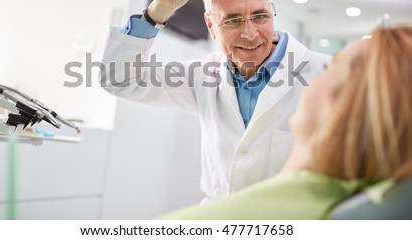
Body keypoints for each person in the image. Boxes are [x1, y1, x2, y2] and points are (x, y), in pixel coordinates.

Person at [100, 0, 329, 201]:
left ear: (271, 12)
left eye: (260, 16)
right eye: (233, 21)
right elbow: (118, 79)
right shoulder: (204, 75)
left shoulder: (329, 74)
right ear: (210, 26)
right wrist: (159, 10)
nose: (250, 34)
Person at [159, 24, 412, 219]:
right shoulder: (372, 196)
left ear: (338, 103)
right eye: (233, 20)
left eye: (330, 68)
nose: (249, 32)